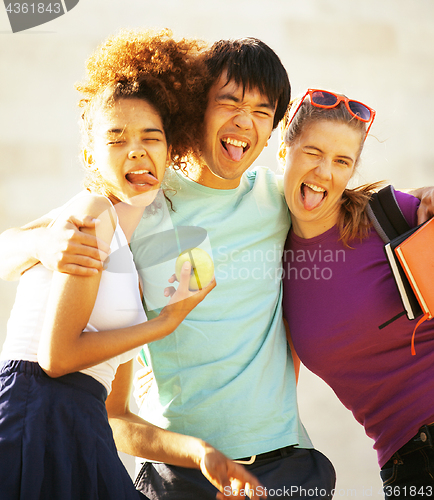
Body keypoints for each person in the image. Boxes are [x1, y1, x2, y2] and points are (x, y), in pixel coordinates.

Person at [2, 38, 434, 498]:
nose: (243, 121)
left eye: (261, 111)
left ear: (273, 133)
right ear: (196, 110)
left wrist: (422, 198)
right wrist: (42, 240)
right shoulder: (144, 196)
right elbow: (14, 249)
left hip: (287, 467)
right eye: (228, 102)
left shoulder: (281, 198)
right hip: (179, 474)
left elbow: (343, 192)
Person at [0, 29, 270, 500]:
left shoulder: (139, 254)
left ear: (170, 154)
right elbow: (57, 358)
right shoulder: (91, 212)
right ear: (90, 155)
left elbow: (116, 410)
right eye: (117, 139)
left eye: (151, 137)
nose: (138, 150)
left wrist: (200, 451)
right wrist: (164, 324)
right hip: (34, 413)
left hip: (83, 427)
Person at [280, 89, 434, 498]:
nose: (324, 172)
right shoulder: (267, 255)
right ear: (285, 147)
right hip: (403, 460)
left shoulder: (390, 215)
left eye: (342, 161)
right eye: (313, 152)